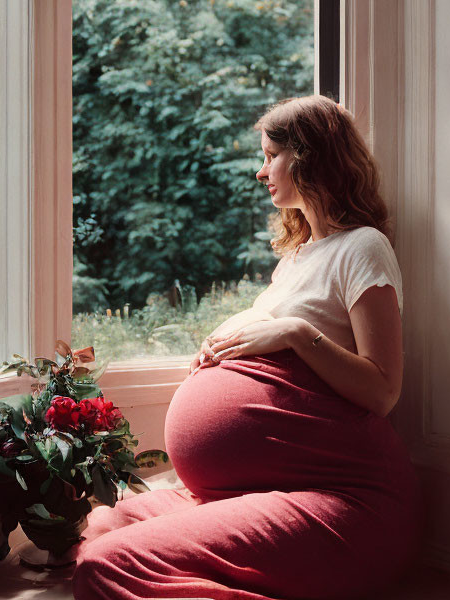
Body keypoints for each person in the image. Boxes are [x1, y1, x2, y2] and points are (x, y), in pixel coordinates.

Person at [73, 95, 422, 600]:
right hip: (251, 486)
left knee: (107, 567)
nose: (261, 173)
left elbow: (384, 389)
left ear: (309, 156)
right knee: (104, 523)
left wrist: (294, 335)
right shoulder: (296, 260)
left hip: (343, 495)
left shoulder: (362, 246)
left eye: (269, 156)